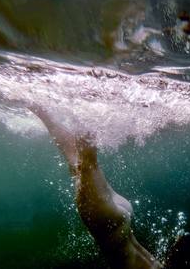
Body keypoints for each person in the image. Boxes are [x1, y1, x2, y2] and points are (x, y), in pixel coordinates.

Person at [31, 104, 162, 269]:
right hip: (105, 222)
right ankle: (78, 108)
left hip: (115, 222)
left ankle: (58, 108)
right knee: (82, 162)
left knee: (79, 161)